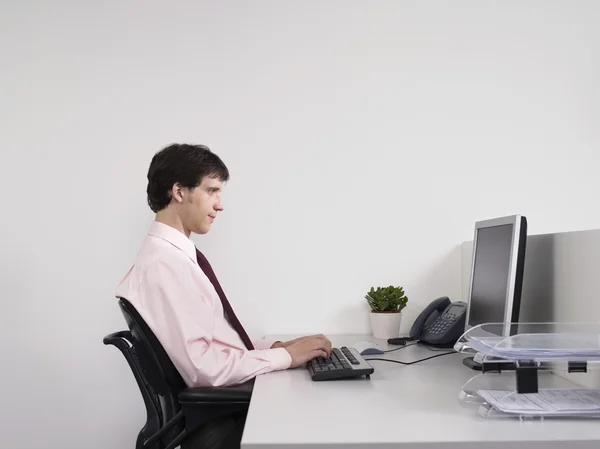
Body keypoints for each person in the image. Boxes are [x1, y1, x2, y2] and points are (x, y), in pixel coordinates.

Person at [115, 143, 332, 449]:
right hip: (220, 424)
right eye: (212, 191)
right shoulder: (164, 265)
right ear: (179, 192)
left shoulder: (174, 258)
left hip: (223, 413)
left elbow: (212, 341)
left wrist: (277, 347)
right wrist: (284, 358)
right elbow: (203, 368)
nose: (220, 204)